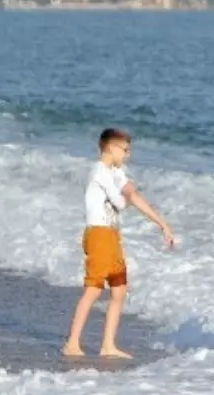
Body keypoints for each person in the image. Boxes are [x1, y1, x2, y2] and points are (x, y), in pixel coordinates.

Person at [63, 128, 175, 359]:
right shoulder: (100, 172)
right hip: (99, 234)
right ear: (111, 148)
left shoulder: (117, 173)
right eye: (125, 150)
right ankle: (72, 343)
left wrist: (161, 224)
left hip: (113, 235)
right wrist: (128, 191)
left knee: (119, 289)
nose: (128, 155)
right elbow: (122, 202)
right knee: (93, 289)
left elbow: (133, 197)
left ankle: (108, 345)